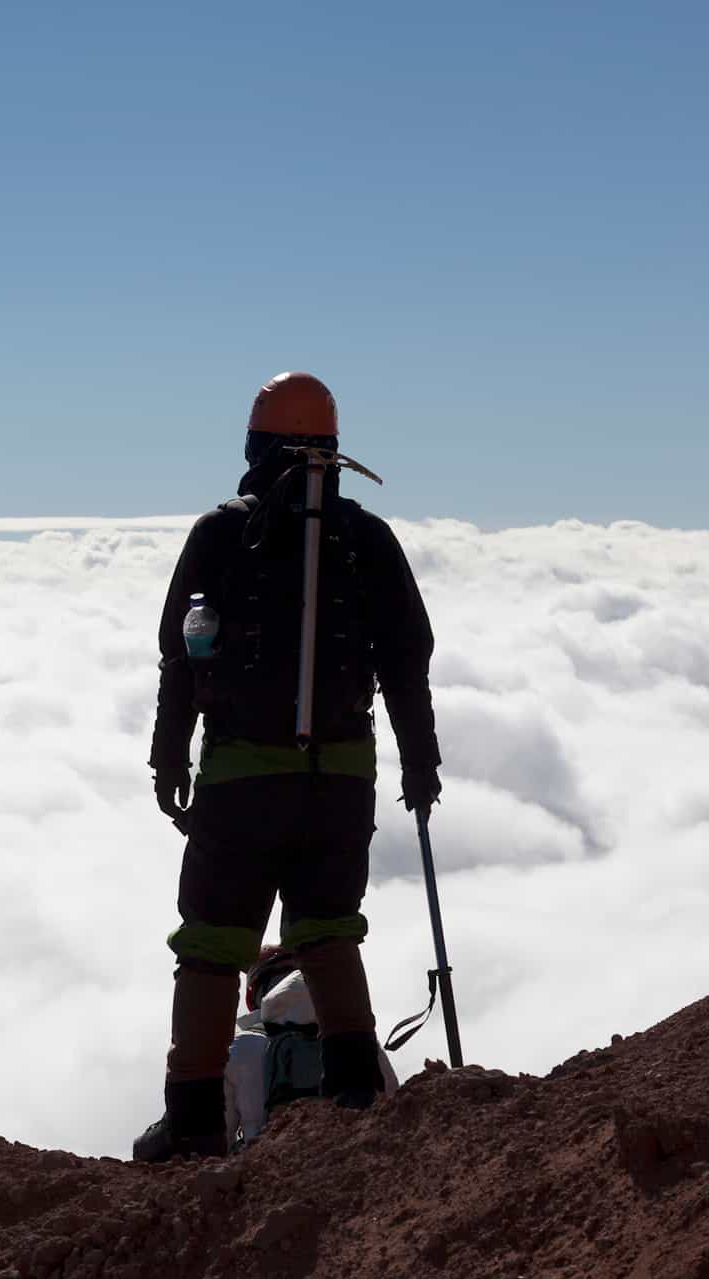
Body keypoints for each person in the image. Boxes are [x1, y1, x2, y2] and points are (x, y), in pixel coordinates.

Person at [133, 371, 442, 1163]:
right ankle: (355, 1095)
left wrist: (170, 753)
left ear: (254, 444)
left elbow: (181, 654)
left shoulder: (220, 533)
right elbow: (408, 659)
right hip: (342, 777)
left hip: (242, 780)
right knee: (330, 931)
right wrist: (420, 760)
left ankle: (194, 1120)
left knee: (209, 947)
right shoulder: (366, 538)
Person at [225, 946, 399, 1150]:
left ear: (250, 997)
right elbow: (394, 1105)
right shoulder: (351, 1035)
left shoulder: (239, 1049)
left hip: (273, 1170)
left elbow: (217, 1144)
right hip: (356, 1163)